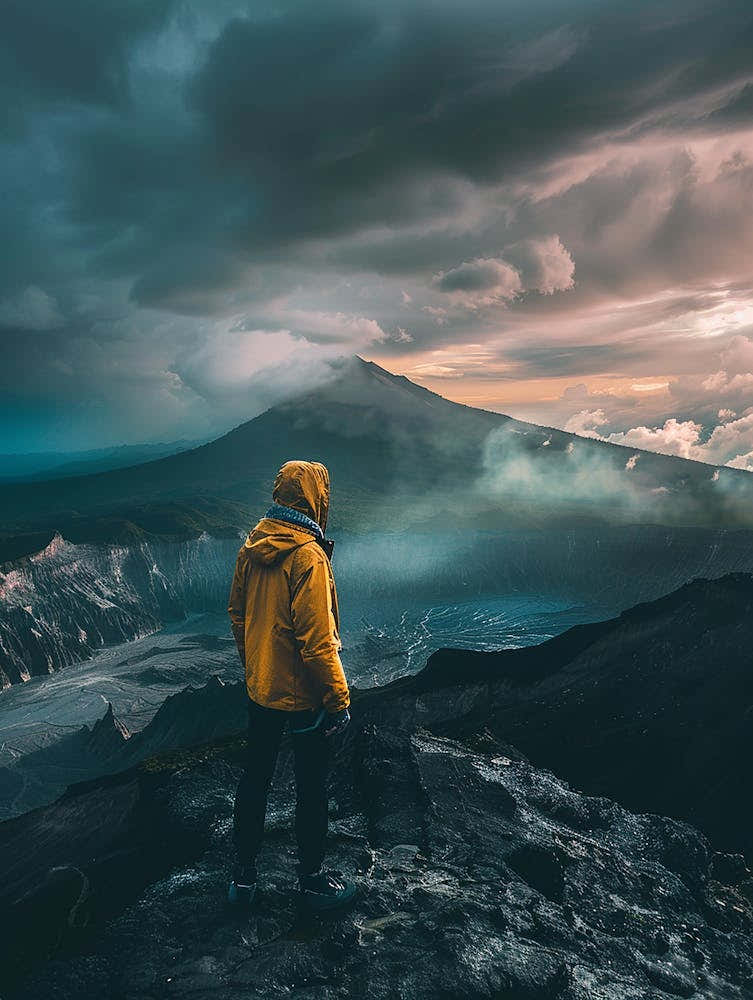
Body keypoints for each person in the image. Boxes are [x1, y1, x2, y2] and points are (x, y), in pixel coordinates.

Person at [226, 459, 356, 911]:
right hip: (303, 700)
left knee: (255, 781)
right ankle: (311, 880)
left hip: (261, 690)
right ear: (317, 498)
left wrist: (255, 666)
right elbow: (318, 641)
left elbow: (238, 615)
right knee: (311, 786)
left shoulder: (252, 546)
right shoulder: (308, 556)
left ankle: (242, 879)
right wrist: (338, 701)